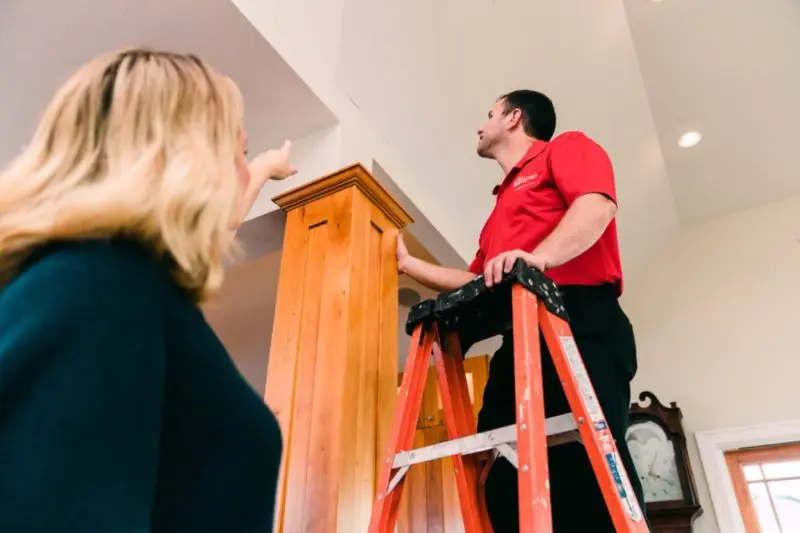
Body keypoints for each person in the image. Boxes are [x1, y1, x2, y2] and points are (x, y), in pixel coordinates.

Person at [0, 48, 296, 533]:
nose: (243, 173)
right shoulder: (103, 288)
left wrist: (263, 169)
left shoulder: (102, 285)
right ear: (184, 156)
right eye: (239, 153)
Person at [396, 90, 646, 531]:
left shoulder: (564, 149)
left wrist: (540, 258)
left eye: (488, 114)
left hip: (580, 323)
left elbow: (597, 205)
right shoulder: (499, 210)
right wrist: (409, 266)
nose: (480, 125)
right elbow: (476, 279)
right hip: (520, 335)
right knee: (502, 470)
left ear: (514, 118)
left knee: (586, 471)